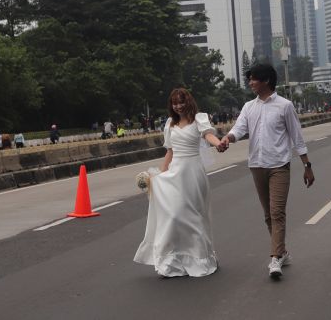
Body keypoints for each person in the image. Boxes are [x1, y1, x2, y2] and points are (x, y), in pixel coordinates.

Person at [220, 64, 315, 278]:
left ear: (266, 81)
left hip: (279, 165)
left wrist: (307, 166)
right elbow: (239, 129)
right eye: (250, 79)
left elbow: (297, 138)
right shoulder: (248, 107)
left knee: (277, 212)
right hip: (257, 165)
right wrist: (228, 138)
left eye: (254, 79)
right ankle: (283, 252)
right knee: (267, 215)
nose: (251, 83)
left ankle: (274, 258)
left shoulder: (285, 106)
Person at [134, 88, 224, 277]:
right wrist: (160, 175)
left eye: (181, 102)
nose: (179, 106)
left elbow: (208, 136)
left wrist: (218, 144)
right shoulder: (170, 124)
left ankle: (201, 258)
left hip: (193, 172)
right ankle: (174, 261)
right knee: (174, 216)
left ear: (188, 102)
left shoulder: (199, 119)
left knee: (194, 216)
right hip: (175, 172)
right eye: (175, 103)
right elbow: (170, 151)